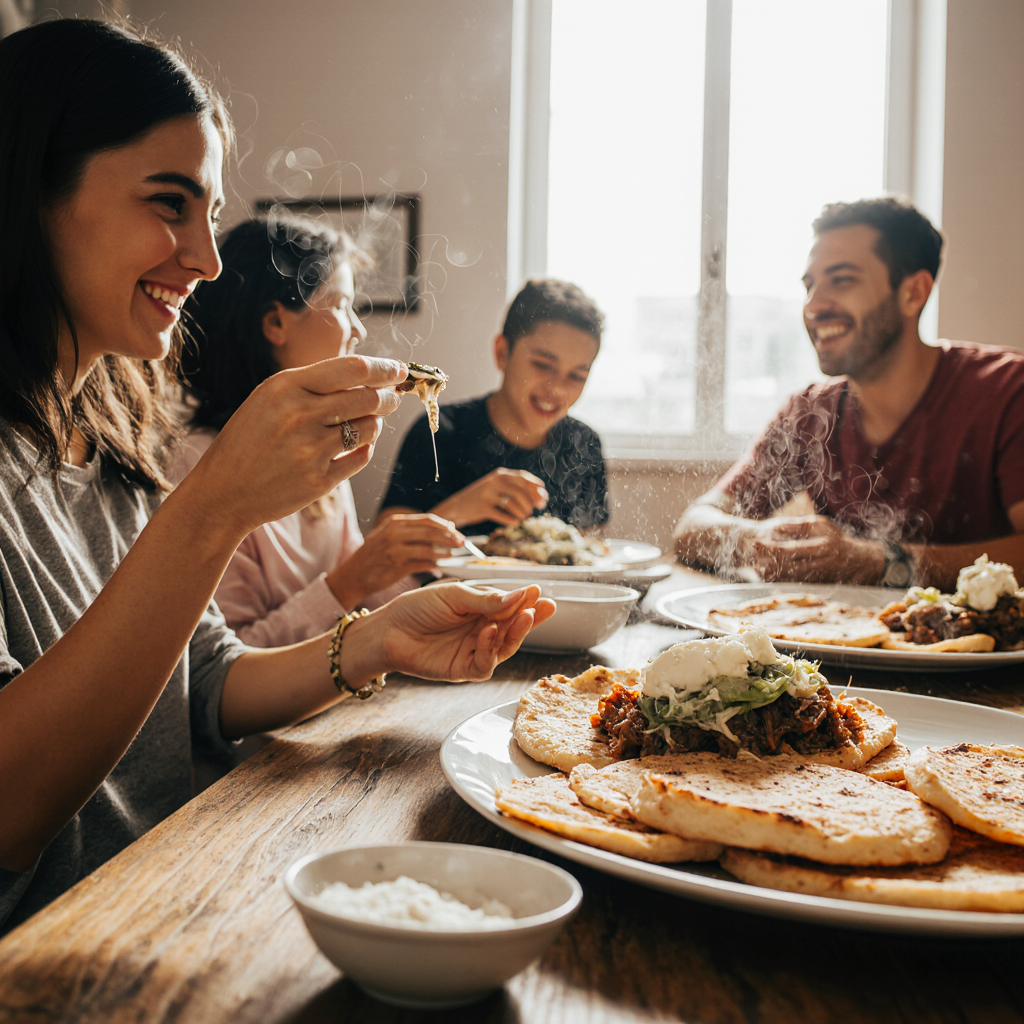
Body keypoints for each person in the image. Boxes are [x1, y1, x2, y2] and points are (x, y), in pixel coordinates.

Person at [0, 18, 553, 934]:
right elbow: (12, 805)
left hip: (168, 892)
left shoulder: (115, 440)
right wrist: (214, 508)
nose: (207, 260)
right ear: (30, 191)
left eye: (209, 214)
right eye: (169, 203)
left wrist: (377, 640)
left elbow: (206, 683)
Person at [674, 197, 1024, 589]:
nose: (814, 306)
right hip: (833, 641)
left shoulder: (1007, 391)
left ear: (913, 293)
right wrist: (753, 540)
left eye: (841, 280)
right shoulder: (809, 413)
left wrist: (880, 561)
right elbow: (694, 525)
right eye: (810, 285)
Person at [175, 215, 466, 646]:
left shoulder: (324, 440)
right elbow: (224, 670)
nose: (359, 330)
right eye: (338, 305)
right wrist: (350, 581)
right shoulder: (195, 464)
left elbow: (360, 601)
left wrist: (416, 569)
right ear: (274, 323)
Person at [378, 279, 610, 534]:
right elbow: (382, 552)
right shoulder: (439, 431)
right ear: (502, 353)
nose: (558, 389)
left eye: (576, 376)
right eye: (543, 365)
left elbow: (591, 549)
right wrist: (460, 508)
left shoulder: (583, 444)